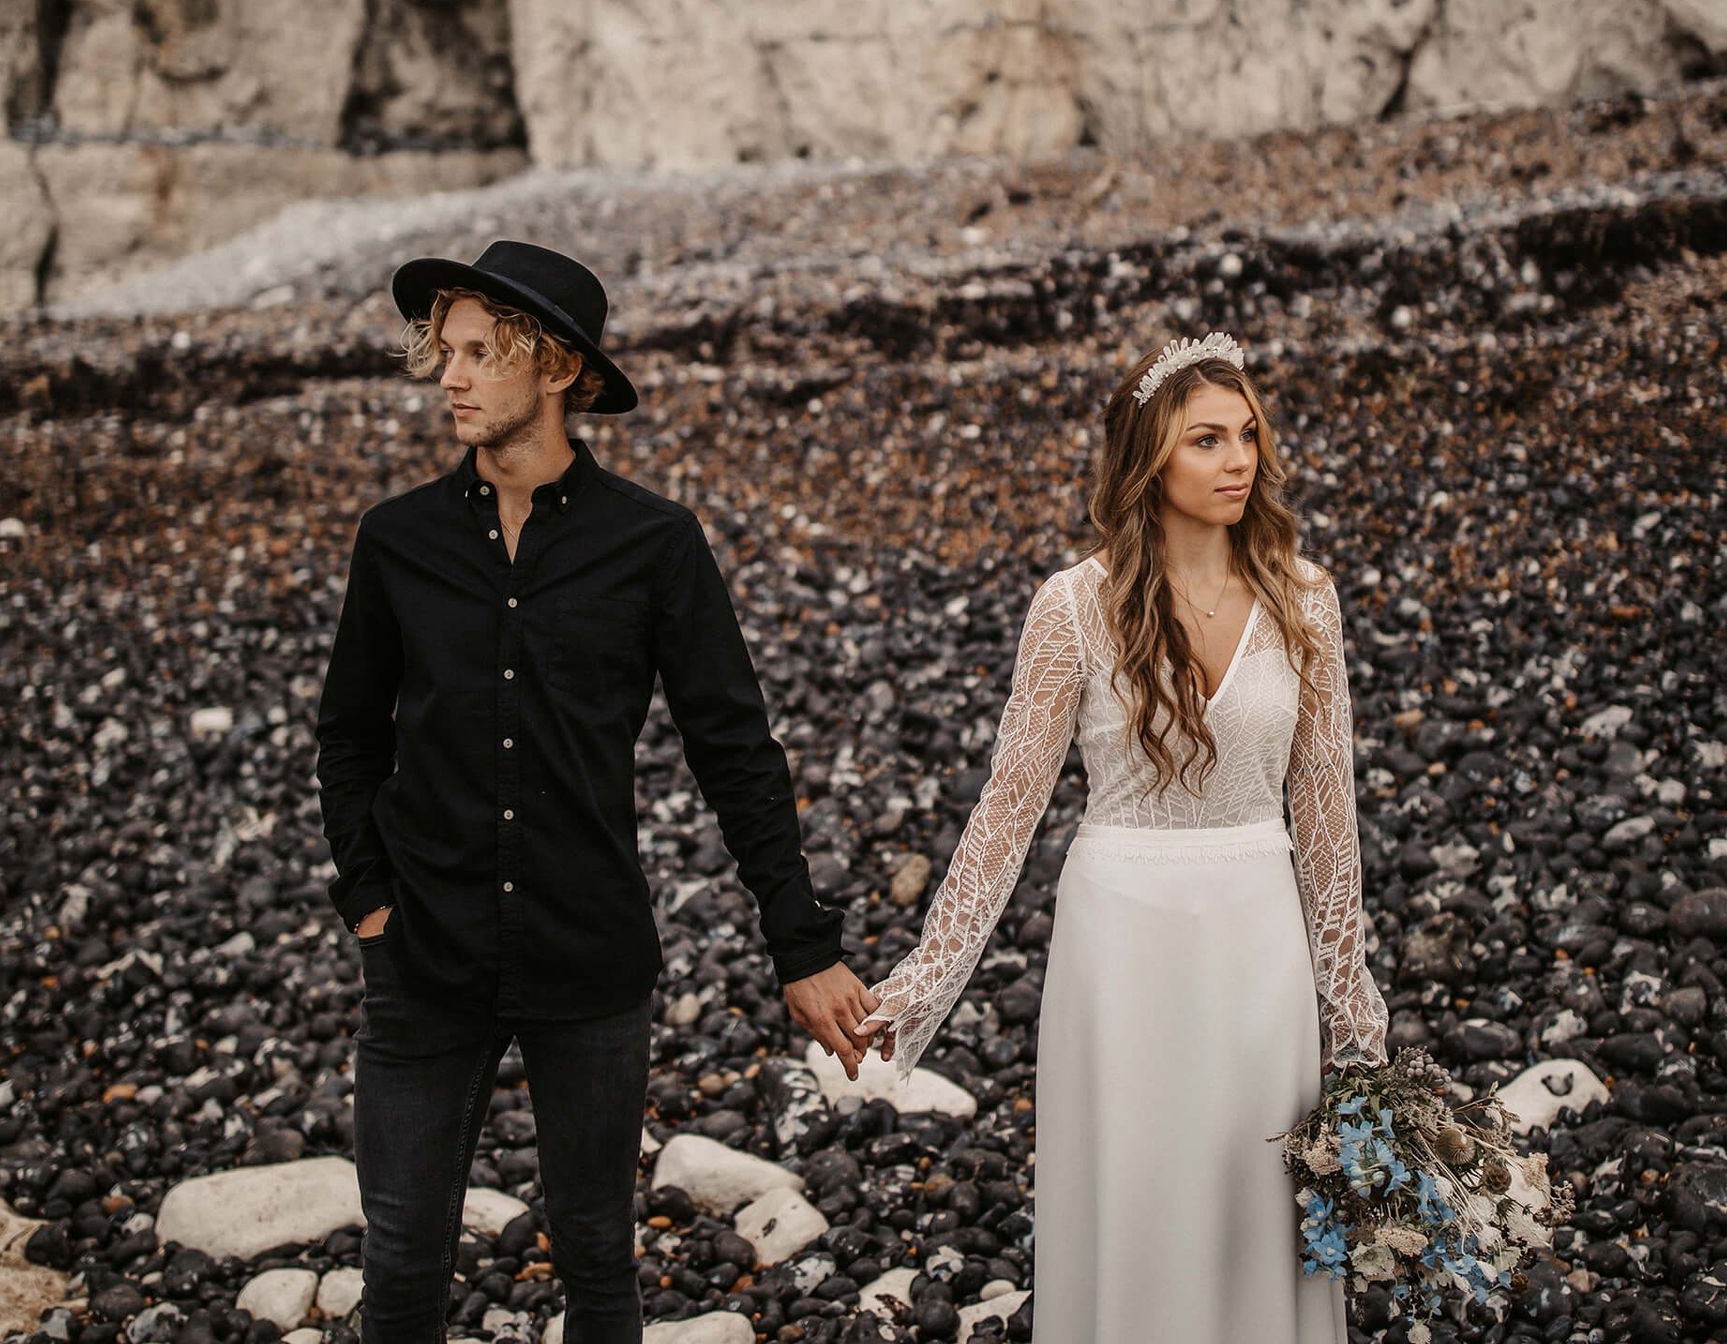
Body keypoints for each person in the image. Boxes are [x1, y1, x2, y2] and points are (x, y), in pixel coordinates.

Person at [313, 238, 882, 1344]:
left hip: (590, 956)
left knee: (595, 1257)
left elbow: (734, 748)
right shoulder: (397, 542)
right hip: (423, 955)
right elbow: (348, 735)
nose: (450, 377)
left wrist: (802, 947)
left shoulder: (654, 545)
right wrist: (369, 901)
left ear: (559, 367)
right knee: (402, 1256)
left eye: (481, 353)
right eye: (446, 352)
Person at [854, 332, 1390, 1344]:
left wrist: (1349, 996)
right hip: (1122, 938)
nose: (1239, 461)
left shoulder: (1305, 596)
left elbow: (1327, 809)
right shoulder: (1072, 607)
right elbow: (1008, 807)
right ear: (1148, 457)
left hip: (1258, 932)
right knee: (1139, 1191)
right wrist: (923, 982)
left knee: (1257, 1197)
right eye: (1206, 440)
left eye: (1248, 436)